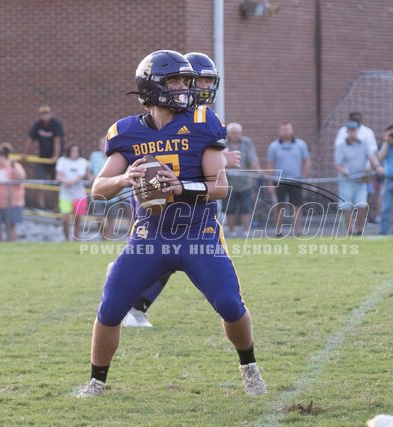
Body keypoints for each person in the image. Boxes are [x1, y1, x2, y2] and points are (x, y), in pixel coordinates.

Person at [76, 50, 266, 397]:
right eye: (176, 81)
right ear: (152, 87)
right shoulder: (127, 131)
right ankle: (96, 382)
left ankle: (249, 367)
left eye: (185, 81)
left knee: (229, 304)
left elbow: (220, 187)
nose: (184, 88)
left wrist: (181, 187)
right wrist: (124, 179)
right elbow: (98, 189)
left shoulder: (202, 122)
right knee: (111, 307)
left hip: (197, 232)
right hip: (150, 234)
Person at [120, 51, 239, 328]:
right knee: (164, 258)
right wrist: (223, 159)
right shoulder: (178, 116)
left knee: (170, 260)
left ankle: (135, 304)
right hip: (161, 197)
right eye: (200, 81)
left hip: (189, 199)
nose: (205, 87)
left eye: (209, 81)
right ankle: (131, 301)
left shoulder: (202, 117)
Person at [335, 120, 383, 235]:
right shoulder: (341, 146)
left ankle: (359, 229)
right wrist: (344, 171)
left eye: (355, 130)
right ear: (347, 132)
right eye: (351, 130)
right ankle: (350, 230)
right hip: (346, 181)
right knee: (347, 206)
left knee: (361, 205)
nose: (353, 133)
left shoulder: (363, 144)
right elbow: (338, 165)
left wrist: (377, 166)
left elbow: (372, 157)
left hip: (361, 181)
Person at [267, 121, 311, 237]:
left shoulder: (301, 145)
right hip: (279, 181)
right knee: (279, 206)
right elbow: (270, 164)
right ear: (279, 131)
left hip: (296, 180)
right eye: (283, 129)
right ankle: (278, 231)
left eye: (288, 129)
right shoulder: (273, 146)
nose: (286, 132)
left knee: (297, 206)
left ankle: (297, 231)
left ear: (292, 130)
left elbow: (307, 161)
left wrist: (304, 177)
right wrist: (270, 183)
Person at [22, 105, 64, 209]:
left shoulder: (56, 124)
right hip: (42, 158)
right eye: (43, 114)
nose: (45, 116)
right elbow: (30, 138)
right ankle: (41, 205)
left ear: (50, 114)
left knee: (55, 184)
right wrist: (25, 153)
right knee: (39, 181)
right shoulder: (38, 124)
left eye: (47, 113)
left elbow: (57, 140)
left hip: (54, 160)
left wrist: (56, 155)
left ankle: (56, 206)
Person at [0, 143, 26, 242]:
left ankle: (11, 246)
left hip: (12, 203)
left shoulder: (14, 166)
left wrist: (13, 166)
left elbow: (20, 178)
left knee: (11, 227)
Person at [224, 122, 261, 237]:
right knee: (230, 209)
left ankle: (246, 232)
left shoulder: (247, 143)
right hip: (229, 184)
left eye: (239, 133)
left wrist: (258, 171)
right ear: (228, 134)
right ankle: (231, 232)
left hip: (245, 184)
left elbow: (253, 159)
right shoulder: (224, 144)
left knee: (246, 208)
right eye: (234, 133)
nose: (236, 135)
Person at [56, 144, 88, 241]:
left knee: (77, 219)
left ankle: (76, 239)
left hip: (79, 195)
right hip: (65, 195)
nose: (74, 153)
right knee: (65, 219)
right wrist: (66, 181)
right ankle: (66, 238)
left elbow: (81, 175)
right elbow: (58, 176)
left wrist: (72, 182)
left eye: (76, 151)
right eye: (72, 150)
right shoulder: (62, 160)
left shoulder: (82, 161)